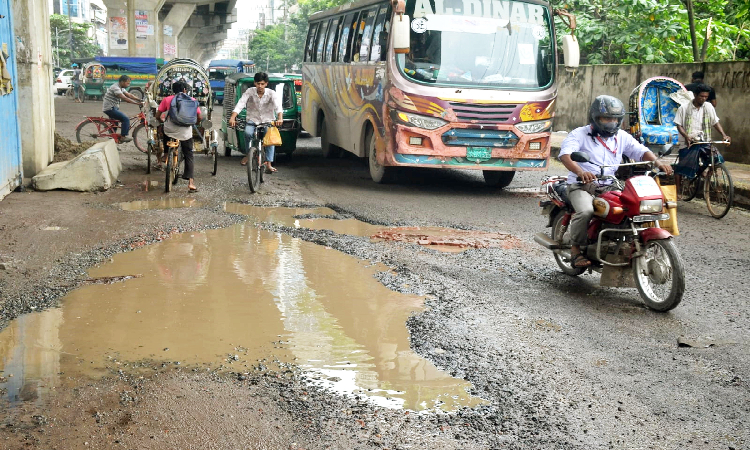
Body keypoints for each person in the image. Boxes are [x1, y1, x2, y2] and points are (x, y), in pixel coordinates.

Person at [559, 95, 673, 268]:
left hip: (610, 183)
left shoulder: (622, 136)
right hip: (581, 185)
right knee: (586, 211)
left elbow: (640, 151)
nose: (611, 122)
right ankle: (576, 249)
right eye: (606, 118)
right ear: (595, 117)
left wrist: (657, 162)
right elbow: (565, 156)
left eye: (615, 119)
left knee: (630, 207)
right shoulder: (579, 134)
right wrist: (581, 171)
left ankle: (621, 242)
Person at [228, 72, 283, 173]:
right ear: (255, 83)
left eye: (262, 84)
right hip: (253, 120)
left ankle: (269, 164)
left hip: (268, 120)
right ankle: (248, 154)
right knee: (247, 133)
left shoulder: (271, 93)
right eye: (258, 84)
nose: (260, 86)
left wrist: (280, 118)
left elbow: (278, 107)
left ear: (266, 84)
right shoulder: (250, 92)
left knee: (270, 139)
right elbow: (240, 104)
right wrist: (233, 117)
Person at [672, 84, 730, 180]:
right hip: (689, 142)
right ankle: (678, 193)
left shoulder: (709, 107)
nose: (703, 99)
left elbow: (715, 122)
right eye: (701, 96)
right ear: (695, 95)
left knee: (716, 158)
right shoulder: (684, 108)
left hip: (704, 140)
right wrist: (686, 136)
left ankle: (707, 179)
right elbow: (679, 125)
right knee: (682, 167)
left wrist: (724, 135)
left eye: (706, 97)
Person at [157, 81, 202, 193]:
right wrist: (193, 123)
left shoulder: (167, 99)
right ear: (185, 90)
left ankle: (166, 154)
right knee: (189, 154)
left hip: (170, 130)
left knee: (164, 131)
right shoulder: (192, 100)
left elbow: (157, 115)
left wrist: (161, 121)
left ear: (173, 90)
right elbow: (199, 117)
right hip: (185, 132)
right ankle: (191, 183)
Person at [102, 75, 143, 143]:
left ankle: (112, 143)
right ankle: (123, 137)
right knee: (125, 119)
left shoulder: (120, 87)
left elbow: (129, 95)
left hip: (113, 108)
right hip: (110, 109)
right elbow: (125, 98)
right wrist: (137, 103)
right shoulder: (115, 88)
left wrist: (139, 99)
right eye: (127, 83)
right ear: (122, 82)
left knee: (115, 125)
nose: (128, 85)